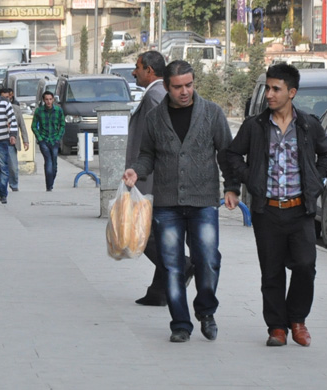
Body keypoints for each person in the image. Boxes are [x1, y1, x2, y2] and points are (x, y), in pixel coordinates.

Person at [219, 64, 327, 347]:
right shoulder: (254, 127)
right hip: (267, 210)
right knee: (271, 271)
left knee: (306, 265)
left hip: (300, 210)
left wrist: (316, 180)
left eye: (275, 89)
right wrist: (242, 182)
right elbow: (231, 156)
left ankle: (297, 320)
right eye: (268, 88)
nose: (269, 94)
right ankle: (277, 327)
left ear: (291, 92)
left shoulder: (308, 125)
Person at [122, 60, 233, 343]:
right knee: (171, 266)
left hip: (203, 201)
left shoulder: (212, 113)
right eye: (177, 87)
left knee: (208, 260)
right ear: (167, 86)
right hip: (167, 204)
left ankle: (206, 310)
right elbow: (147, 154)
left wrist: (232, 187)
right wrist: (138, 169)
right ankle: (180, 324)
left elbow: (227, 154)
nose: (184, 92)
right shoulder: (155, 118)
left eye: (189, 85)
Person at [126, 51, 194, 307]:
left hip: (153, 179)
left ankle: (183, 264)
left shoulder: (156, 95)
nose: (134, 72)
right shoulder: (156, 93)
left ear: (151, 70)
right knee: (157, 232)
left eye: (138, 68)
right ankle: (159, 292)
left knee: (146, 236)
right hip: (151, 176)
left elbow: (167, 136)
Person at [31, 91, 65, 192]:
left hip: (54, 139)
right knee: (48, 161)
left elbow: (62, 125)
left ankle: (51, 182)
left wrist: (58, 137)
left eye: (50, 99)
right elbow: (33, 126)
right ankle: (49, 186)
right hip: (44, 140)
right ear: (43, 100)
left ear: (53, 100)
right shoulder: (39, 111)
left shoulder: (58, 110)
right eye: (46, 100)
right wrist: (40, 138)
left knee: (54, 163)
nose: (49, 102)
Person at [0, 87, 29, 191]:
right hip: (0, 141)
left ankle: (14, 185)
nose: (6, 100)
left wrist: (26, 140)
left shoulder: (16, 109)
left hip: (12, 142)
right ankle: (2, 185)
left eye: (7, 97)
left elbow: (22, 125)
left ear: (10, 97)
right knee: (1, 166)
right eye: (3, 98)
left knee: (13, 167)